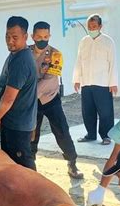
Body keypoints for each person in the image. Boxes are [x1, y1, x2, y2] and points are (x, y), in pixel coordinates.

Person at [0, 16, 37, 170]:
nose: (10, 41)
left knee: (23, 166)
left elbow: (8, 98)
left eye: (15, 37)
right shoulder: (16, 54)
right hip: (13, 120)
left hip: (18, 124)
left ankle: (36, 192)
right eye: (7, 36)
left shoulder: (21, 61)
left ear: (25, 37)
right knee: (10, 164)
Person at [29, 21, 83, 179]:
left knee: (62, 131)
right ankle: (30, 165)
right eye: (39, 36)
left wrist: (26, 95)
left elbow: (49, 79)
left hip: (50, 99)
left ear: (49, 36)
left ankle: (72, 163)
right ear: (32, 36)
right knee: (32, 133)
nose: (42, 39)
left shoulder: (55, 54)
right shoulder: (25, 53)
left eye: (45, 36)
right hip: (32, 103)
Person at [72, 13, 118, 145]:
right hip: (86, 82)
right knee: (88, 111)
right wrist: (76, 79)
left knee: (105, 112)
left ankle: (106, 136)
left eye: (94, 26)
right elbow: (79, 61)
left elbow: (113, 63)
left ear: (100, 26)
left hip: (103, 83)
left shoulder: (108, 42)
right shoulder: (83, 41)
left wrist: (113, 83)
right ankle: (90, 134)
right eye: (89, 27)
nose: (91, 29)